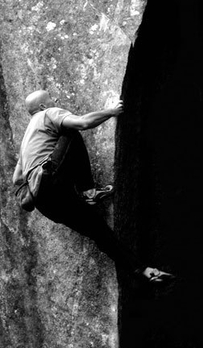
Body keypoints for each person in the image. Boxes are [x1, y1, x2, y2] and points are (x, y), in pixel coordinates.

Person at [13, 89, 174, 284]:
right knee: (70, 130)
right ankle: (88, 190)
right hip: (51, 180)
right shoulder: (47, 114)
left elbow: (17, 178)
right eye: (52, 99)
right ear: (42, 106)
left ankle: (142, 270)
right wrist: (110, 112)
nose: (56, 100)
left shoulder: (26, 141)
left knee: (99, 231)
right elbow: (83, 123)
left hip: (46, 204)